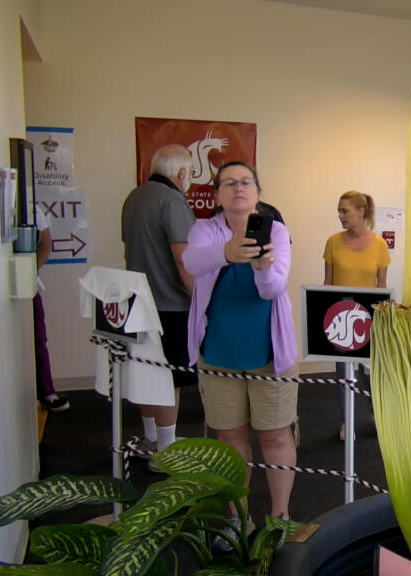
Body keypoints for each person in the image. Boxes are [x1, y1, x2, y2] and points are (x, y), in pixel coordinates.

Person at [185, 160, 298, 526]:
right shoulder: (205, 230)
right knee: (230, 436)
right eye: (229, 183)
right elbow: (192, 261)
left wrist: (263, 267)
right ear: (217, 194)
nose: (238, 188)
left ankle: (279, 517)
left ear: (258, 192)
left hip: (268, 351)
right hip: (219, 350)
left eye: (246, 182)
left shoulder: (276, 231)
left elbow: (273, 289)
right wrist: (227, 253)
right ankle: (239, 519)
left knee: (275, 434)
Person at [121, 144, 197, 466]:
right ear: (181, 173)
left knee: (147, 371)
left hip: (138, 301)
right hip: (169, 304)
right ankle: (166, 453)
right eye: (190, 172)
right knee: (169, 379)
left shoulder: (134, 197)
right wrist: (199, 298)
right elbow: (182, 257)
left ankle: (153, 438)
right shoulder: (172, 200)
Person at [323, 190, 390, 441]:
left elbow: (381, 286)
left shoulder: (380, 245)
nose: (340, 216)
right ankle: (345, 422)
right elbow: (327, 283)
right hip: (339, 318)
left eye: (345, 211)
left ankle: (376, 413)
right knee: (343, 373)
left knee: (369, 372)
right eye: (339, 211)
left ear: (361, 212)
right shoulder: (332, 242)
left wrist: (381, 321)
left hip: (366, 318)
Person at [34, 208, 69, 412]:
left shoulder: (32, 209)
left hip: (29, 286)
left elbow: (46, 244)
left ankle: (47, 392)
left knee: (38, 338)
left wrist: (31, 270)